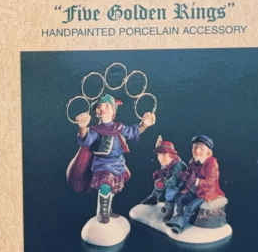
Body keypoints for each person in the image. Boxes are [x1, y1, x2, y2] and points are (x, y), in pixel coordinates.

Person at [69, 94, 155, 224]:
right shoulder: (95, 130)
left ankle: (108, 210)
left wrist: (145, 125)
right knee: (105, 186)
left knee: (112, 188)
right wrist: (82, 128)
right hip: (102, 166)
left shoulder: (119, 128)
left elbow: (133, 132)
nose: (103, 109)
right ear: (97, 112)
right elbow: (86, 141)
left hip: (118, 165)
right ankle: (102, 213)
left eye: (107, 106)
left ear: (113, 111)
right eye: (100, 107)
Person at [169, 134, 225, 232]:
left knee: (190, 206)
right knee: (179, 198)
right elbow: (189, 172)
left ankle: (180, 226)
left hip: (205, 193)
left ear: (208, 152)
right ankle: (178, 218)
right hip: (193, 190)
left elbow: (210, 182)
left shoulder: (212, 164)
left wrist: (196, 181)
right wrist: (184, 175)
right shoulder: (193, 161)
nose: (197, 151)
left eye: (201, 149)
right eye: (195, 147)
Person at [141, 138, 188, 218]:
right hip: (169, 181)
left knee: (170, 192)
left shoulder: (178, 165)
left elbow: (174, 180)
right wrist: (159, 175)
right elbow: (164, 173)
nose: (160, 158)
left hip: (181, 185)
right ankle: (154, 198)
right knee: (158, 185)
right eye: (159, 155)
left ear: (171, 155)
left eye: (163, 155)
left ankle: (169, 209)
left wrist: (164, 182)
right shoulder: (166, 164)